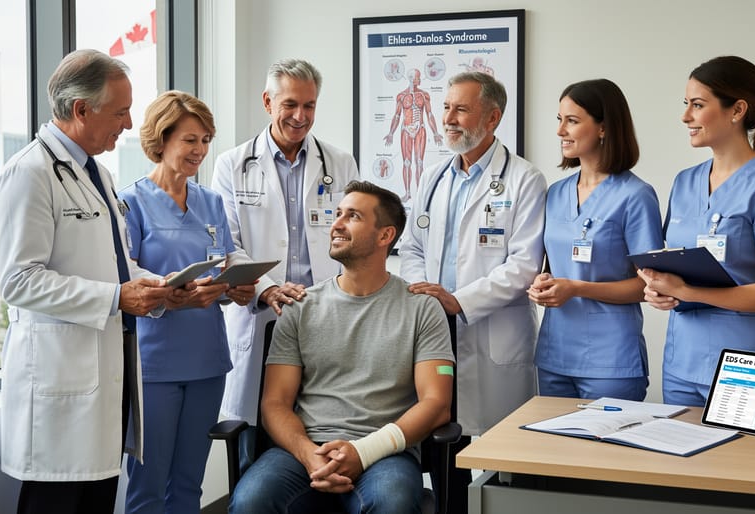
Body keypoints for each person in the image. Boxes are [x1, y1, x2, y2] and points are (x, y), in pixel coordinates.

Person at [0, 49, 175, 514]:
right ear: (80, 110)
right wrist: (116, 297)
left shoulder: (99, 174)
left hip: (102, 391)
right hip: (58, 394)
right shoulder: (30, 173)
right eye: (120, 111)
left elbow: (110, 263)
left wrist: (160, 286)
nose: (129, 123)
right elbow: (19, 280)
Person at [230, 180, 455, 513]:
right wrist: (310, 455)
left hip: (385, 454)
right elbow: (275, 403)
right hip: (304, 450)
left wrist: (363, 452)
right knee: (251, 501)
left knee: (392, 503)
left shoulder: (422, 308)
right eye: (337, 214)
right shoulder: (301, 306)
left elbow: (437, 405)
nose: (335, 224)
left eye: (353, 216)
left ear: (385, 236)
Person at [399, 71, 546, 514]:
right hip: (433, 329)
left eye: (461, 109)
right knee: (442, 447)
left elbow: (523, 264)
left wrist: (459, 301)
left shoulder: (524, 179)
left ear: (493, 116)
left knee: (498, 458)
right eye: (446, 108)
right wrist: (423, 291)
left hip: (489, 332)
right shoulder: (433, 176)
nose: (448, 119)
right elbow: (411, 246)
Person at [211, 58, 359, 468]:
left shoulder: (339, 163)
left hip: (325, 314)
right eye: (290, 104)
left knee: (327, 423)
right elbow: (228, 243)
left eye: (309, 106)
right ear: (267, 102)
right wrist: (269, 288)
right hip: (264, 314)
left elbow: (355, 234)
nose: (300, 116)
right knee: (256, 437)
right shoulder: (232, 164)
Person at [119, 91, 257, 513]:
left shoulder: (211, 201)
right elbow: (126, 284)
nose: (199, 150)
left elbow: (223, 264)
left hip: (207, 362)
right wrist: (173, 296)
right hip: (154, 364)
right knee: (148, 487)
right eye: (189, 140)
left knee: (188, 485)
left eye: (205, 140)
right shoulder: (130, 204)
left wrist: (235, 288)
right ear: (160, 141)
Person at [639, 56, 755, 406]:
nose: (686, 117)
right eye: (686, 105)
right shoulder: (685, 183)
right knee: (679, 461)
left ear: (737, 110)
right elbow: (677, 265)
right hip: (682, 363)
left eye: (698, 105)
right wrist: (660, 291)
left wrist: (690, 291)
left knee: (741, 462)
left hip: (746, 366)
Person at [528, 79, 663, 401]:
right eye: (559, 120)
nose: (561, 131)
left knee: (604, 452)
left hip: (610, 360)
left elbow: (649, 285)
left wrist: (577, 288)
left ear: (603, 128)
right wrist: (541, 283)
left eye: (572, 121)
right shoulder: (556, 193)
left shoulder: (636, 196)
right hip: (554, 354)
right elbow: (552, 266)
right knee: (548, 451)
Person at [383, 68, 443, 202]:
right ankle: (408, 193)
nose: (420, 80)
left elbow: (429, 114)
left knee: (419, 162)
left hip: (420, 129)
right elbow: (397, 115)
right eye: (418, 77)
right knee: (406, 162)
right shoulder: (401, 96)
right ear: (411, 79)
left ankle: (420, 194)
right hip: (406, 130)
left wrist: (435, 132)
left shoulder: (424, 95)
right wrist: (391, 133)